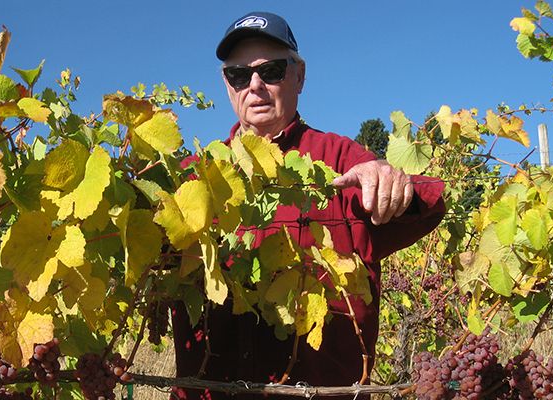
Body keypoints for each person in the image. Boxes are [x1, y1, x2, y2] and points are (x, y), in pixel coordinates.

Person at [171, 11, 446, 399]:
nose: (255, 86)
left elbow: (433, 201)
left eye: (271, 71)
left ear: (299, 76)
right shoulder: (193, 176)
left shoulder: (340, 159)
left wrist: (391, 182)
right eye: (239, 75)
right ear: (226, 85)